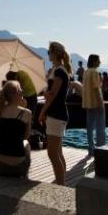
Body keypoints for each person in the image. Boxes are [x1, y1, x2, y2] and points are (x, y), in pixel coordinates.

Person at [39, 41, 71, 184]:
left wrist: (42, 112)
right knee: (58, 152)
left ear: (54, 53)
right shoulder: (59, 70)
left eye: (49, 52)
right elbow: (53, 95)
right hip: (58, 114)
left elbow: (52, 95)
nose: (48, 55)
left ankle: (60, 185)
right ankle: (62, 183)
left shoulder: (59, 71)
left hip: (56, 114)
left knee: (52, 153)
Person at [0, 80, 32, 177]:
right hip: (18, 168)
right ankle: (25, 177)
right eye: (21, 91)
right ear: (16, 94)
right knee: (27, 144)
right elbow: (26, 136)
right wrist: (23, 108)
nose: (23, 94)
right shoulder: (27, 113)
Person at [82, 54, 106, 155]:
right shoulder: (95, 72)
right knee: (100, 127)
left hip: (88, 103)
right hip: (96, 103)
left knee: (90, 128)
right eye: (98, 60)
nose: (100, 62)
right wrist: (101, 103)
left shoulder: (86, 72)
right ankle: (101, 149)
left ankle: (91, 149)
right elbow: (96, 89)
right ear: (94, 61)